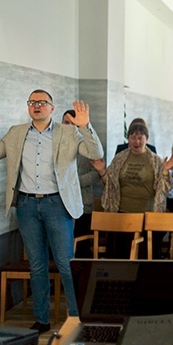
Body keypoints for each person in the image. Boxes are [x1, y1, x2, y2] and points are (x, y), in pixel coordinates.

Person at [0, 90, 104, 334]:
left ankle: (76, 318)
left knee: (66, 263)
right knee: (37, 265)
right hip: (26, 206)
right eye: (32, 102)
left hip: (57, 205)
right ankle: (42, 320)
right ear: (28, 107)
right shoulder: (16, 133)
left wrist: (86, 126)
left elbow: (95, 153)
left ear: (51, 108)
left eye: (42, 102)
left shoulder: (69, 132)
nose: (37, 106)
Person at [92, 122, 173, 258]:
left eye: (140, 138)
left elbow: (165, 187)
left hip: (145, 216)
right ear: (128, 139)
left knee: (142, 257)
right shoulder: (120, 158)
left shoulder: (155, 161)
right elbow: (110, 186)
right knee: (120, 256)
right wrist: (101, 170)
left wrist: (165, 171)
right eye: (132, 137)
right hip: (121, 214)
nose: (136, 141)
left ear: (146, 140)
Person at [62, 110, 102, 258]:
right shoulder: (56, 144)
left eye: (74, 123)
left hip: (83, 204)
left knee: (81, 249)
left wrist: (73, 182)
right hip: (59, 204)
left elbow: (96, 173)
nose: (71, 126)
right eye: (67, 123)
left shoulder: (89, 146)